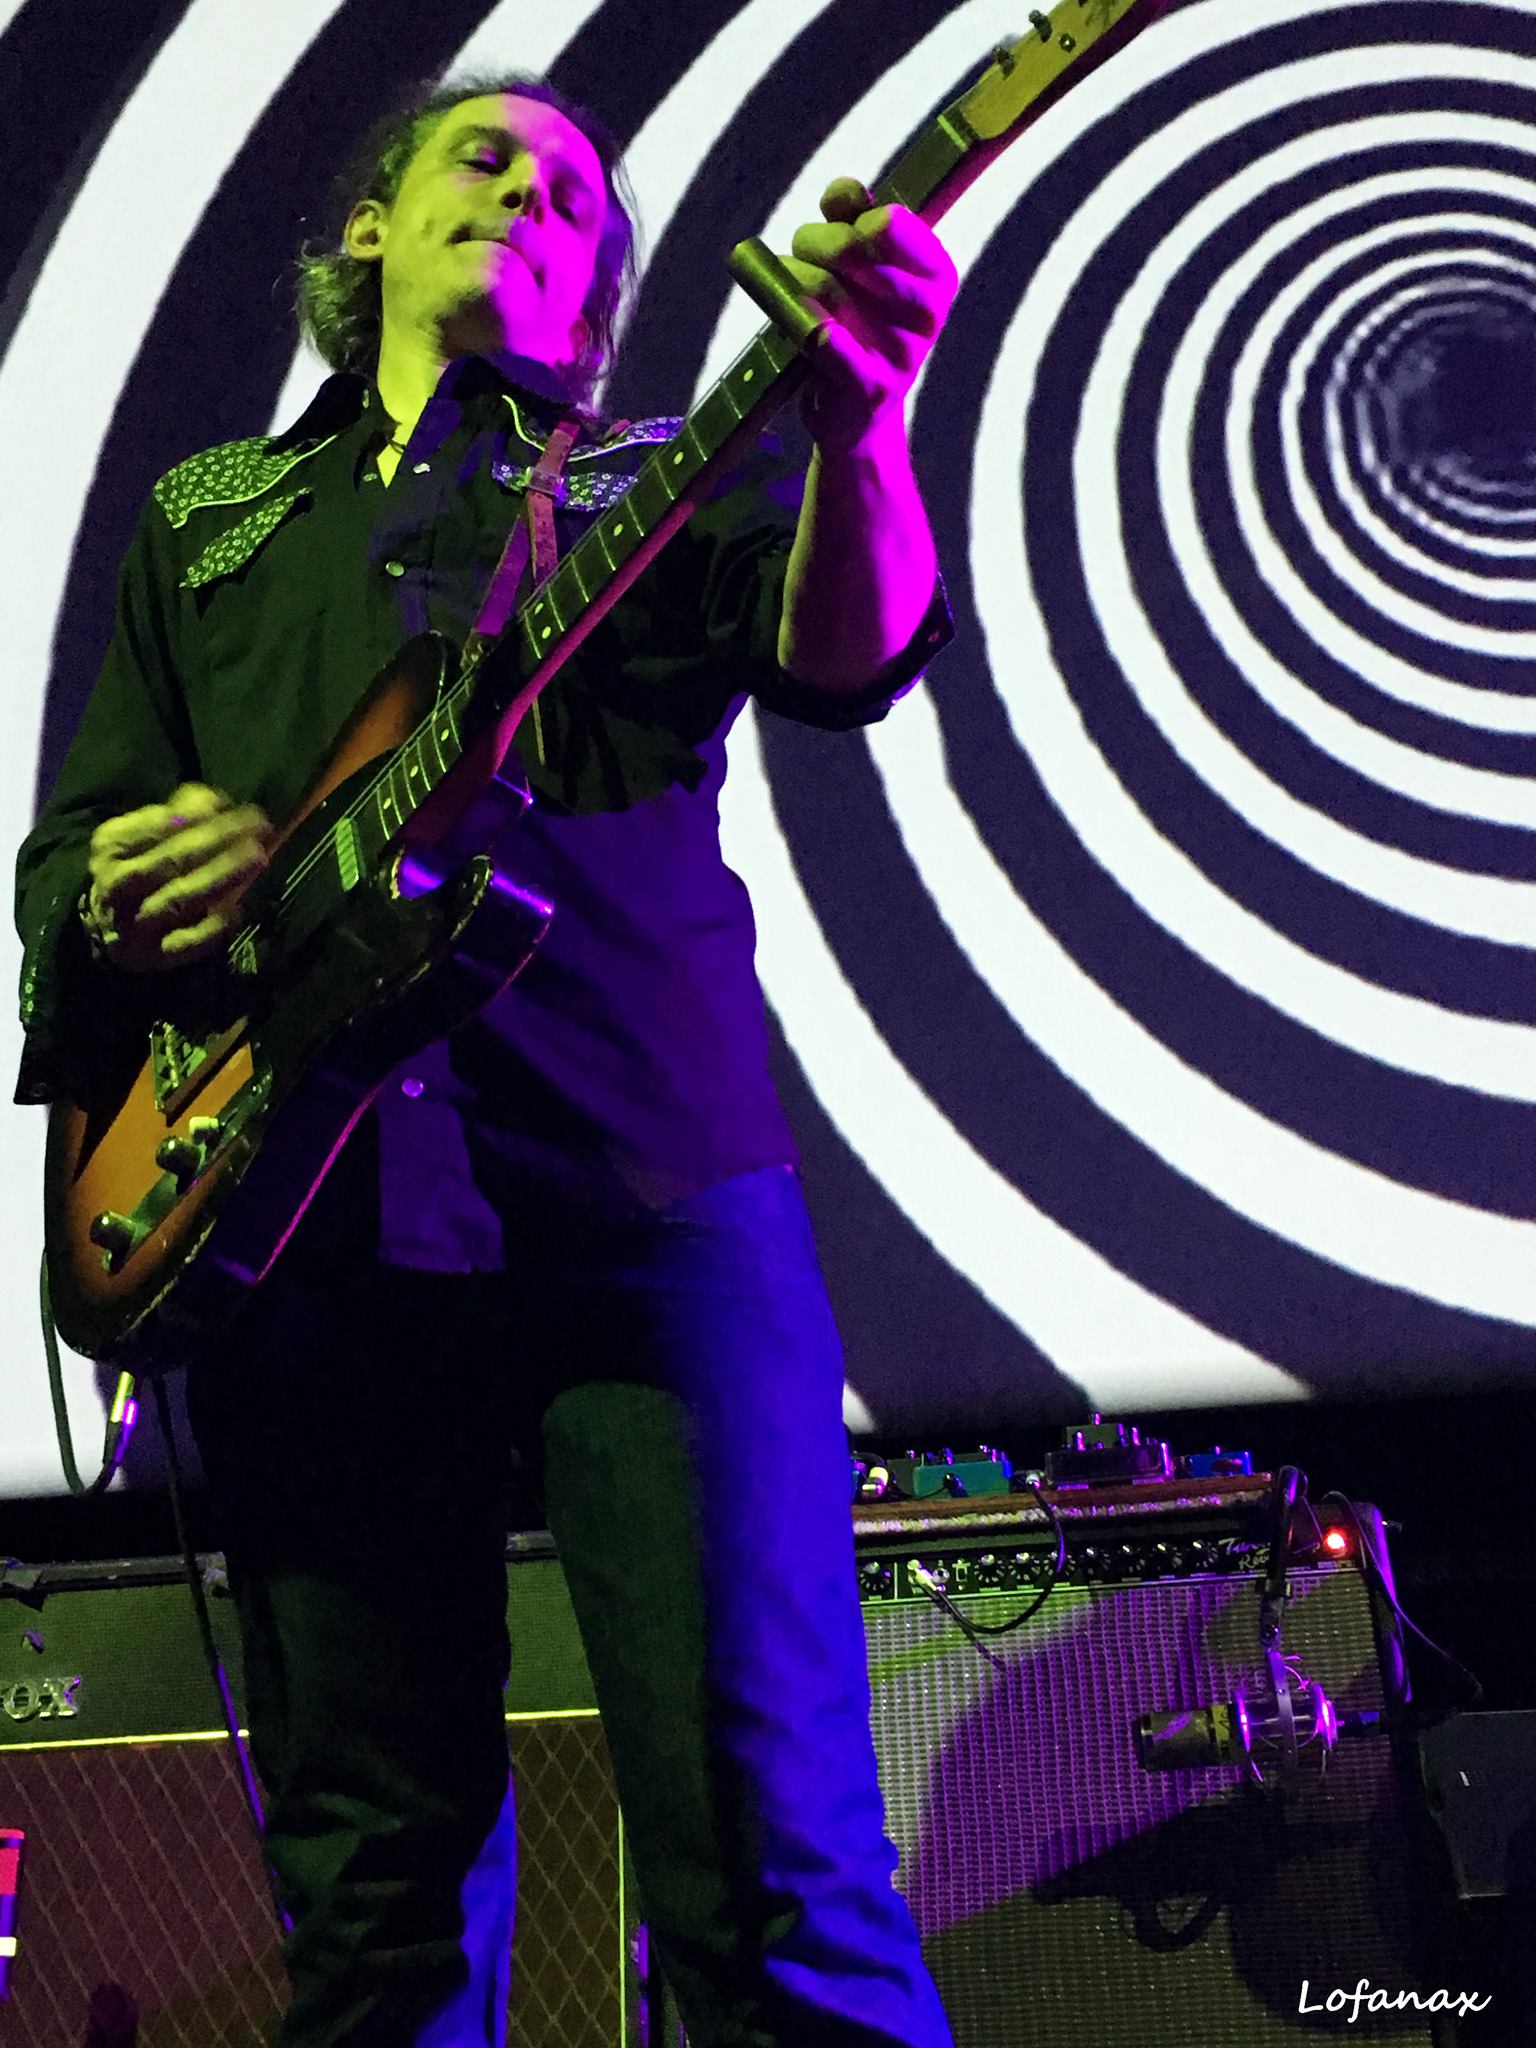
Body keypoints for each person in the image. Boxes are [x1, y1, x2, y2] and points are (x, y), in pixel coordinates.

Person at [15, 71, 959, 2048]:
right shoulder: (206, 520)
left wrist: (861, 428)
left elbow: (845, 652)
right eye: (486, 157)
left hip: (648, 1208)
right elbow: (69, 860)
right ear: (370, 226)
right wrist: (127, 893)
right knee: (377, 1907)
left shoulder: (647, 480)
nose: (530, 193)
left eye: (572, 197)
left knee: (776, 1868)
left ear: (589, 295)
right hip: (308, 1235)